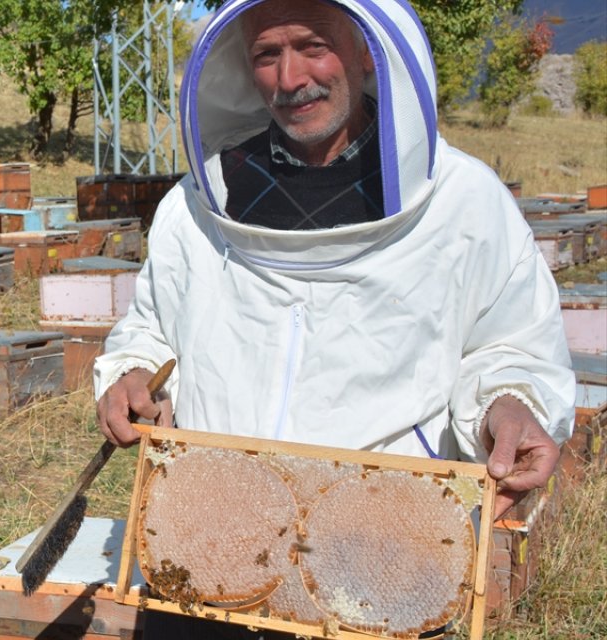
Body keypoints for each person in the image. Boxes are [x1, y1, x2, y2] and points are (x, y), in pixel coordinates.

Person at [94, 1, 574, 636]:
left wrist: (511, 404)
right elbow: (152, 325)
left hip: (384, 553)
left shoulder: (463, 203)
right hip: (211, 546)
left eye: (313, 45)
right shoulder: (199, 203)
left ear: (364, 51)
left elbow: (510, 342)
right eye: (268, 54)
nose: (291, 79)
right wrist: (132, 375)